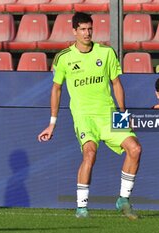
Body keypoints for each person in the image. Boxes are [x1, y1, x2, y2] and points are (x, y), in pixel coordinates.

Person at [37, 12, 141, 220]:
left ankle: (123, 199)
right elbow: (56, 89)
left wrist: (123, 113)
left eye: (90, 29)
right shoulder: (64, 57)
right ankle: (81, 208)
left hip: (108, 114)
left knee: (135, 148)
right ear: (74, 31)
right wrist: (52, 124)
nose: (87, 33)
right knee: (90, 154)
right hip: (84, 117)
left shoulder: (106, 53)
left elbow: (117, 84)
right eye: (82, 29)